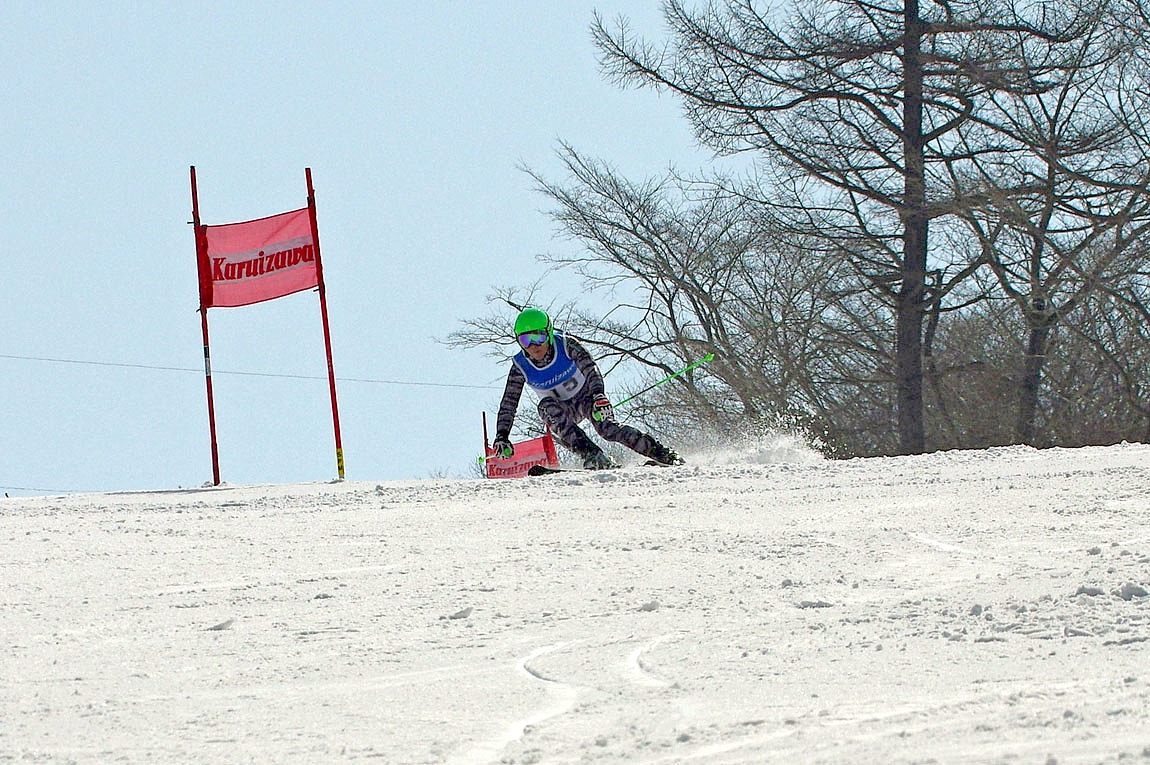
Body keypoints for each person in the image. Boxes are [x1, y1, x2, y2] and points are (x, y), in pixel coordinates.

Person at [491, 307, 685, 470]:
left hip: (587, 398)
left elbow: (590, 368)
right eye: (526, 340)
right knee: (545, 407)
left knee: (607, 429)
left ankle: (662, 454)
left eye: (539, 337)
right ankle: (593, 455)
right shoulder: (520, 366)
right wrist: (502, 436)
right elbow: (509, 403)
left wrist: (599, 395)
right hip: (561, 410)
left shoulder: (566, 345)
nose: (534, 346)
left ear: (548, 333)